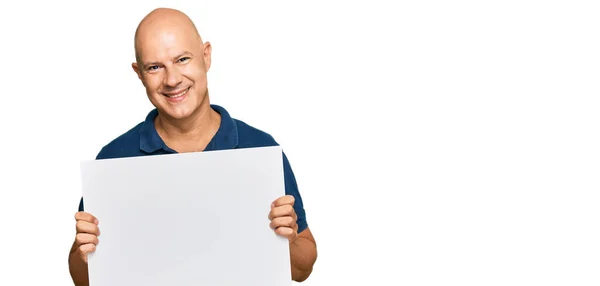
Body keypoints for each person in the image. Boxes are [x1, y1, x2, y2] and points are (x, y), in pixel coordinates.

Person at [67, 7, 317, 285]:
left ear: (206, 56)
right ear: (139, 73)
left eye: (182, 59)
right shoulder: (113, 160)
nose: (172, 80)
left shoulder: (259, 149)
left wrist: (290, 239)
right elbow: (83, 279)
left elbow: (302, 271)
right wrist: (84, 254)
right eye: (154, 67)